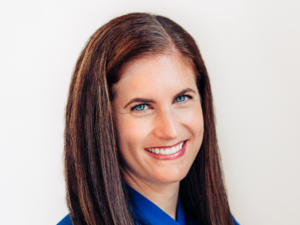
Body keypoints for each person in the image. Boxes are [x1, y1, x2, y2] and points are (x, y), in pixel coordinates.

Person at [58, 13, 240, 225]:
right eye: (141, 107)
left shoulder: (217, 219)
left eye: (181, 98)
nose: (170, 130)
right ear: (101, 123)